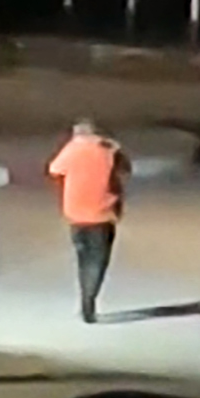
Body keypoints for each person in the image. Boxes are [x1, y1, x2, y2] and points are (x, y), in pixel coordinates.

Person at [49, 119, 130, 323]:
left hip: (75, 215)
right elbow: (126, 169)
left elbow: (54, 170)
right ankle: (89, 304)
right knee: (97, 262)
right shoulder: (108, 151)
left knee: (83, 259)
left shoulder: (72, 150)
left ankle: (85, 303)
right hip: (102, 215)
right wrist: (115, 148)